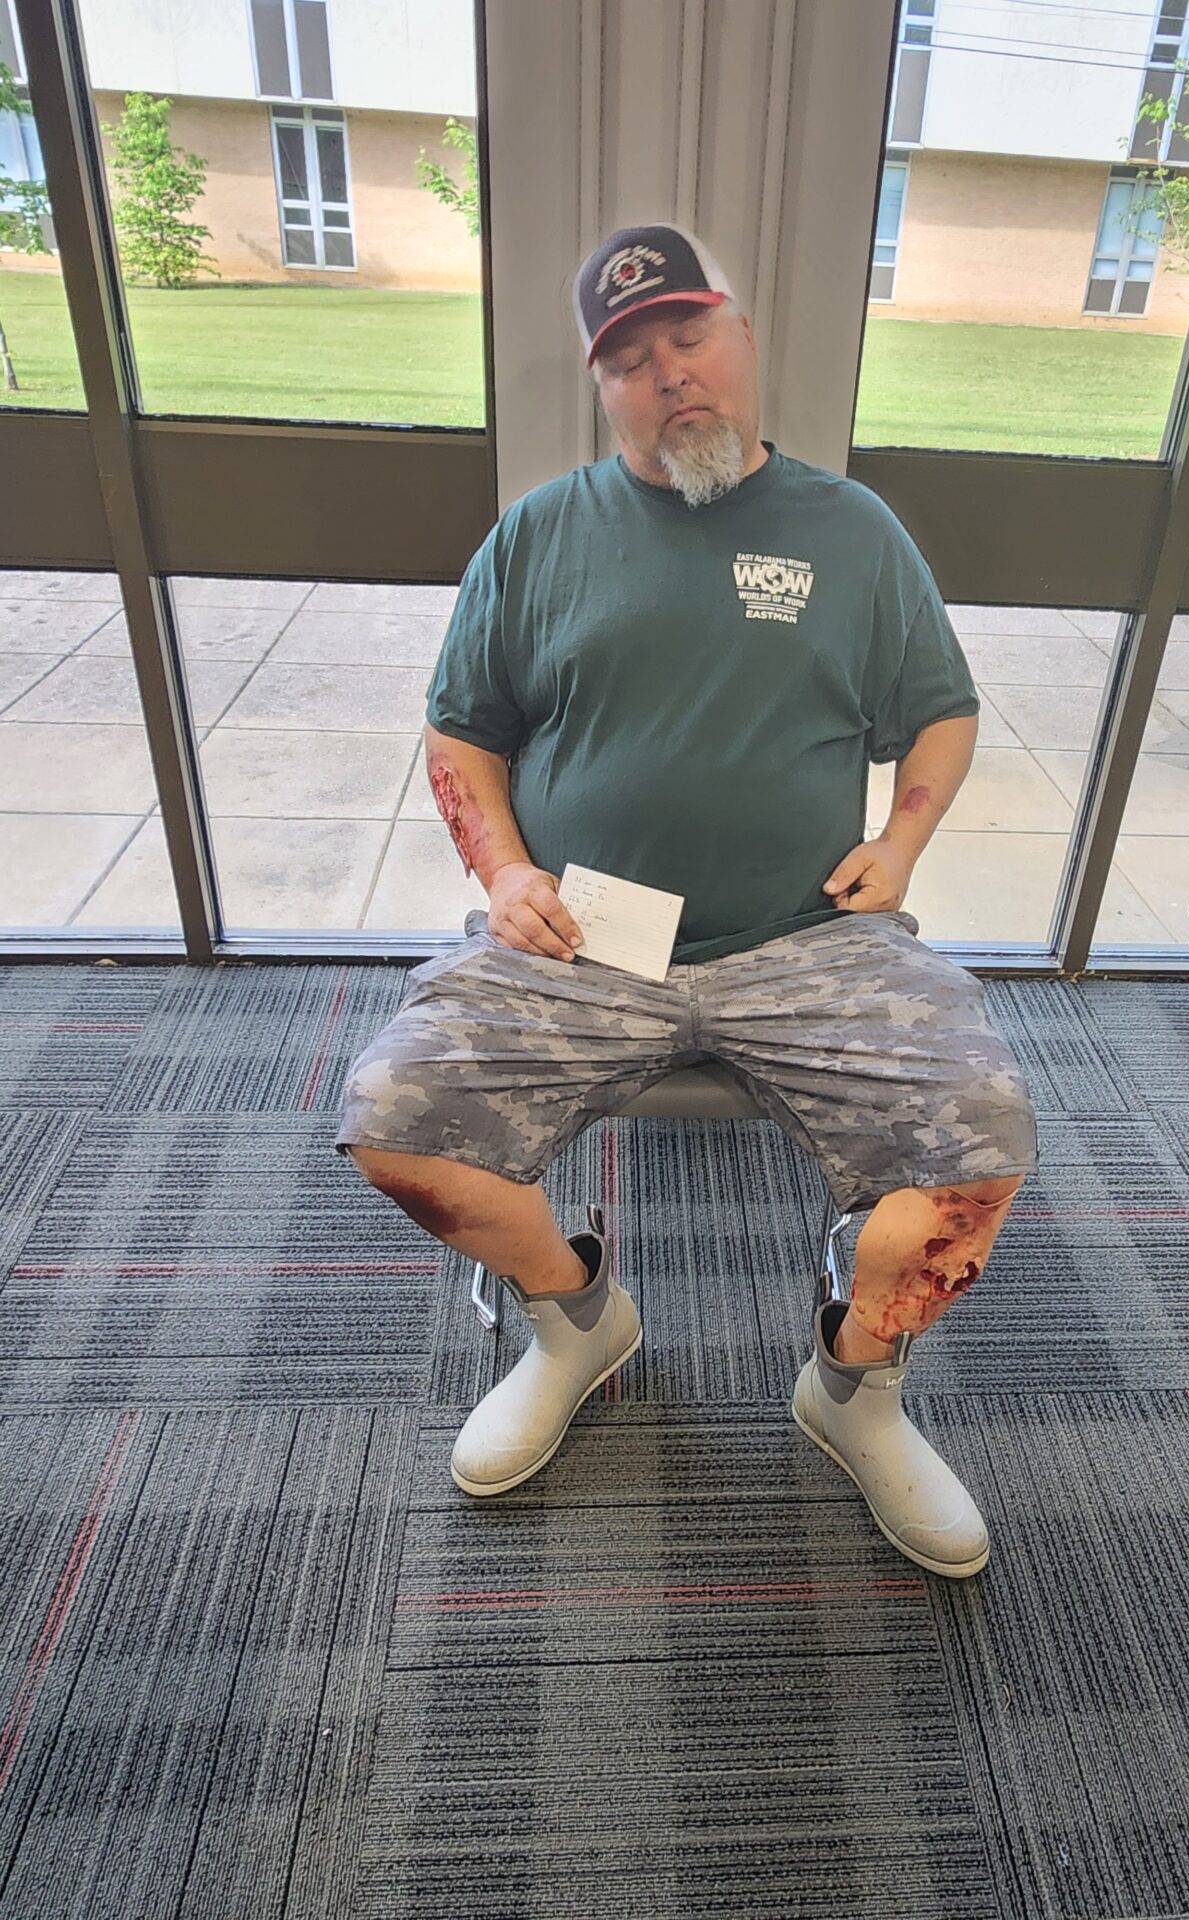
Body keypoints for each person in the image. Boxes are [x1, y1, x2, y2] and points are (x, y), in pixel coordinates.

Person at [336, 222, 1038, 1579]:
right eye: (631, 359)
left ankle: (855, 1391)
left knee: (979, 1155)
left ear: (744, 340)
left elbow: (941, 712)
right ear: (605, 387)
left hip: (808, 937)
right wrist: (506, 872)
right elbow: (460, 736)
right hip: (584, 939)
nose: (670, 373)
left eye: (691, 336)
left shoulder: (852, 533)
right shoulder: (541, 536)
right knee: (395, 1123)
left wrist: (901, 843)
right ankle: (576, 1322)